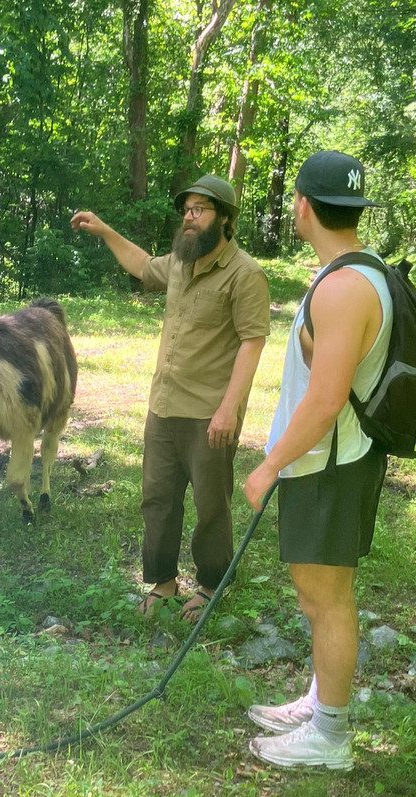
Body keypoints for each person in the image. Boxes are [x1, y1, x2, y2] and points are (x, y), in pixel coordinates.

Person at [243, 150, 391, 771]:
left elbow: (327, 399)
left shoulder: (346, 287)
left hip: (329, 463)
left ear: (303, 205)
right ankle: (318, 701)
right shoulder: (356, 271)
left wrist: (269, 463)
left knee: (327, 597)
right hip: (330, 459)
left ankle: (330, 737)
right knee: (317, 594)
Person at [71, 175, 270, 620]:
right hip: (163, 407)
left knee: (210, 506)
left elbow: (252, 343)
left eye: (200, 210)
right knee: (157, 500)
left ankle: (211, 586)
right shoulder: (182, 263)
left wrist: (228, 410)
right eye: (187, 210)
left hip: (208, 415)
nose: (189, 217)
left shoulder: (245, 275)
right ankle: (162, 583)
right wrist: (104, 229)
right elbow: (142, 265)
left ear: (226, 219)